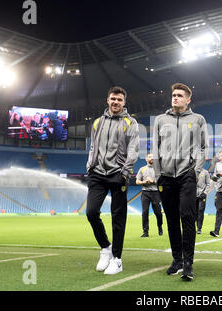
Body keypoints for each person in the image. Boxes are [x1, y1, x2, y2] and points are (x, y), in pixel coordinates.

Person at [152, 82, 208, 281]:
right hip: (165, 177)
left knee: (187, 217)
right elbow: (155, 148)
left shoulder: (198, 119)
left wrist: (196, 171)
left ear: (188, 99)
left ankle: (188, 263)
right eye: (173, 94)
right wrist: (158, 173)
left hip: (187, 175)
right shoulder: (160, 120)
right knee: (171, 219)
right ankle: (176, 259)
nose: (175, 97)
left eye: (179, 95)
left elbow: (203, 147)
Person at [85, 86, 139, 275]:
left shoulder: (130, 122)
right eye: (113, 99)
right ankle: (105, 247)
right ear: (107, 100)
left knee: (118, 218)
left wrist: (125, 173)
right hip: (97, 174)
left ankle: (117, 259)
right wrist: (89, 166)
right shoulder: (97, 122)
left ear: (124, 102)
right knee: (91, 212)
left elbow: (133, 149)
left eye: (119, 100)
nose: (115, 102)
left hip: (118, 174)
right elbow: (93, 146)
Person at [136, 153, 164, 237]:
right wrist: (145, 182)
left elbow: (162, 181)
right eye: (149, 157)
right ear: (146, 159)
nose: (152, 158)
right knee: (145, 212)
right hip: (145, 193)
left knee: (158, 213)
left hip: (156, 193)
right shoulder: (142, 169)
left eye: (153, 157)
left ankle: (160, 227)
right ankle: (145, 232)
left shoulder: (158, 169)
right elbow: (137, 181)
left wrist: (153, 181)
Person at [210, 150, 222, 237]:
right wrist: (217, 176)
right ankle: (216, 231)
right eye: (220, 156)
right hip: (219, 191)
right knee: (219, 210)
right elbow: (213, 178)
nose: (221, 157)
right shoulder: (217, 165)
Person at [195, 168, 211, 234]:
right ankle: (196, 225)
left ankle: (199, 228)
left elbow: (208, 184)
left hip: (202, 195)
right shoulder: (193, 171)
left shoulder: (205, 172)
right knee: (195, 211)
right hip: (194, 195)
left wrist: (205, 192)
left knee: (201, 210)